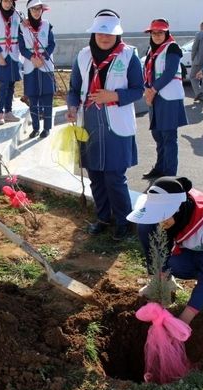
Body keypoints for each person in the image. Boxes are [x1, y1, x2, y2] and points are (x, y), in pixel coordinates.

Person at [66, 9, 144, 241]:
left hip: (115, 124)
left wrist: (114, 95)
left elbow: (138, 89)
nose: (104, 38)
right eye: (100, 33)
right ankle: (103, 217)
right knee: (96, 175)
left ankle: (123, 222)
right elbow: (74, 88)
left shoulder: (129, 55)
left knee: (114, 176)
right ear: (94, 34)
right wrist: (72, 106)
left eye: (109, 34)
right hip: (89, 122)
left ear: (117, 35)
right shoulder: (83, 55)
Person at [127, 176, 203, 325]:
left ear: (178, 210)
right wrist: (158, 278)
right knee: (146, 227)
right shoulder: (162, 202)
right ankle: (164, 282)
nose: (159, 221)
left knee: (183, 266)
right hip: (189, 239)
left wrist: (183, 320)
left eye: (162, 216)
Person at [142, 19, 188, 180]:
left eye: (160, 32)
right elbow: (147, 70)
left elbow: (169, 72)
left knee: (169, 137)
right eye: (153, 33)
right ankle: (160, 168)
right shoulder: (152, 49)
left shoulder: (172, 48)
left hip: (168, 98)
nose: (156, 36)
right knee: (158, 135)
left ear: (166, 33)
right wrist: (147, 88)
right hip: (154, 98)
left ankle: (169, 176)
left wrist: (152, 90)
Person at [18, 0, 55, 139]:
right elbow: (21, 47)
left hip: (45, 65)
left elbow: (52, 44)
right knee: (33, 99)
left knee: (47, 97)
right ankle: (35, 128)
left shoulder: (47, 25)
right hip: (30, 65)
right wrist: (32, 58)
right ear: (29, 11)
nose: (36, 12)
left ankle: (46, 128)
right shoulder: (22, 27)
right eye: (33, 9)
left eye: (39, 9)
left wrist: (43, 57)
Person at [0, 0, 22, 125]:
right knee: (3, 85)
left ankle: (8, 112)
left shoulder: (17, 15)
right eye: (5, 1)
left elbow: (21, 33)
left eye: (10, 1)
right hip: (1, 54)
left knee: (11, 84)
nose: (7, 4)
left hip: (13, 54)